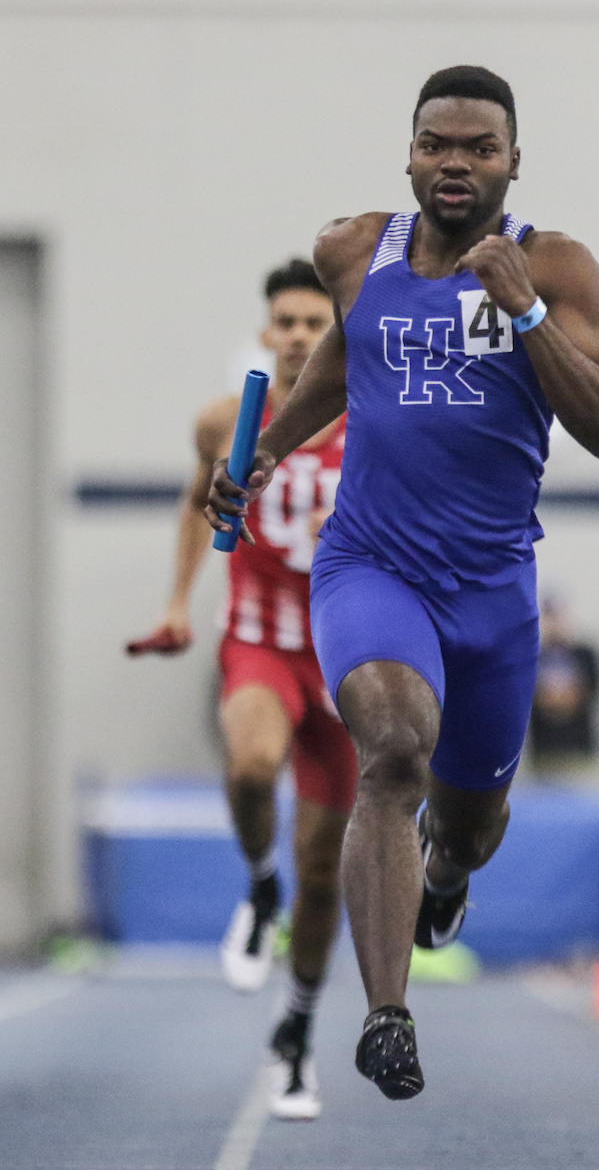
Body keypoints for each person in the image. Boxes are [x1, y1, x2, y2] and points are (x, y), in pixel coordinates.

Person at [206, 66, 599, 1101]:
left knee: (470, 826)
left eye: (478, 148)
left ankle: (444, 881)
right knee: (392, 748)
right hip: (371, 566)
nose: (455, 163)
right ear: (408, 152)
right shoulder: (353, 252)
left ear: (510, 162)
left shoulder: (555, 266)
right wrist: (264, 454)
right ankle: (386, 1015)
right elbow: (341, 370)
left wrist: (525, 314)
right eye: (436, 144)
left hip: (491, 590)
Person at [127, 258, 357, 1120]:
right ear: (265, 333)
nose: (299, 337)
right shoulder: (227, 422)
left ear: (332, 333)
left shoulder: (369, 420)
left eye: (314, 323)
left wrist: (366, 522)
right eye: (285, 323)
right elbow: (197, 503)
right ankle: (261, 890)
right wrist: (180, 602)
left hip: (342, 658)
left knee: (326, 869)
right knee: (253, 765)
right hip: (259, 641)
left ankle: (294, 1035)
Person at [529, 594, 599, 775]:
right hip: (543, 750)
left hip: (579, 748)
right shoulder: (532, 658)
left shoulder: (585, 656)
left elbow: (593, 690)